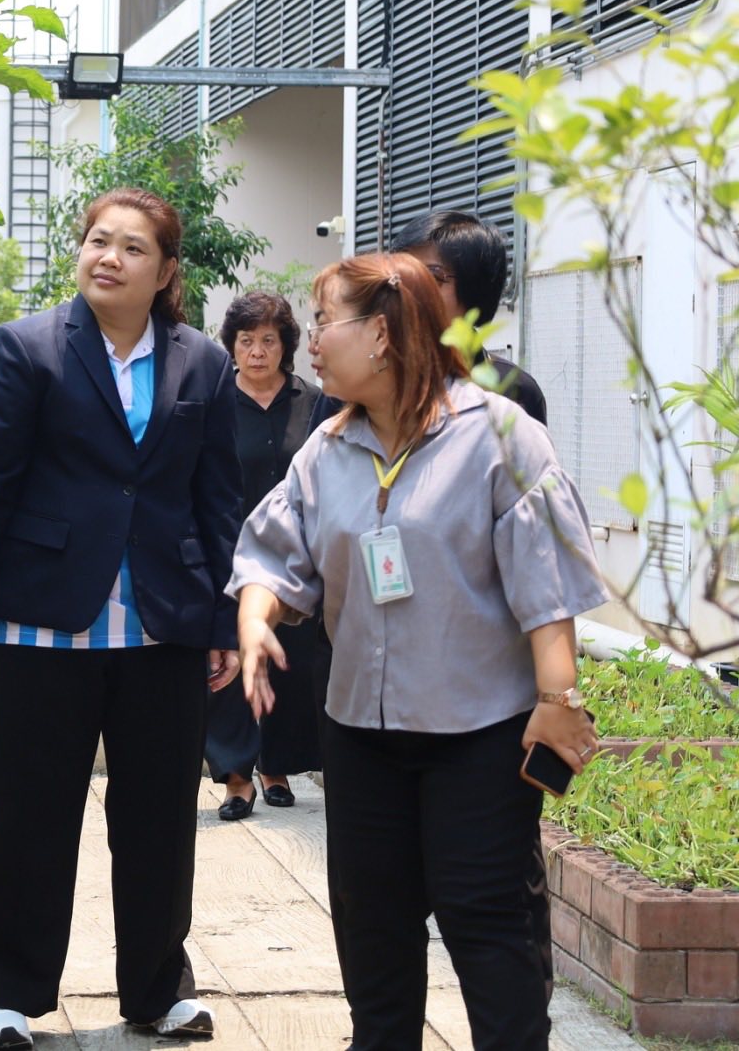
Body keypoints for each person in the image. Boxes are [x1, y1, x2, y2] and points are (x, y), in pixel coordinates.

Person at [230, 252, 606, 1051]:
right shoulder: (327, 447)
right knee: (372, 928)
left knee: (487, 922)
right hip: (360, 736)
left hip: (478, 736)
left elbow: (547, 590)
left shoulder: (500, 436)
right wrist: (256, 616)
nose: (310, 342)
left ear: (383, 333)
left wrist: (558, 699)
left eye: (324, 321)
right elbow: (275, 551)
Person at [0, 188, 243, 1051]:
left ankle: (158, 990)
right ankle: (8, 997)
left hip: (163, 626)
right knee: (31, 816)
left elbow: (218, 501)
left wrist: (222, 617)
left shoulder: (203, 363)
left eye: (133, 247)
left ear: (166, 271)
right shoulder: (26, 347)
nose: (109, 257)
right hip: (41, 623)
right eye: (98, 240)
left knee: (159, 821)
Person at [202, 291, 329, 821]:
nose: (257, 352)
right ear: (232, 346)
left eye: (269, 341)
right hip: (229, 552)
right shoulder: (214, 402)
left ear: (286, 346)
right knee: (228, 661)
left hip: (297, 556)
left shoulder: (315, 402)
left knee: (292, 661)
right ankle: (236, 777)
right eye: (246, 341)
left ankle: (277, 767)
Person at [392, 208, 548, 425]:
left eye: (432, 276)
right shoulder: (369, 381)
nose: (408, 289)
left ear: (474, 289)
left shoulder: (514, 390)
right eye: (400, 276)